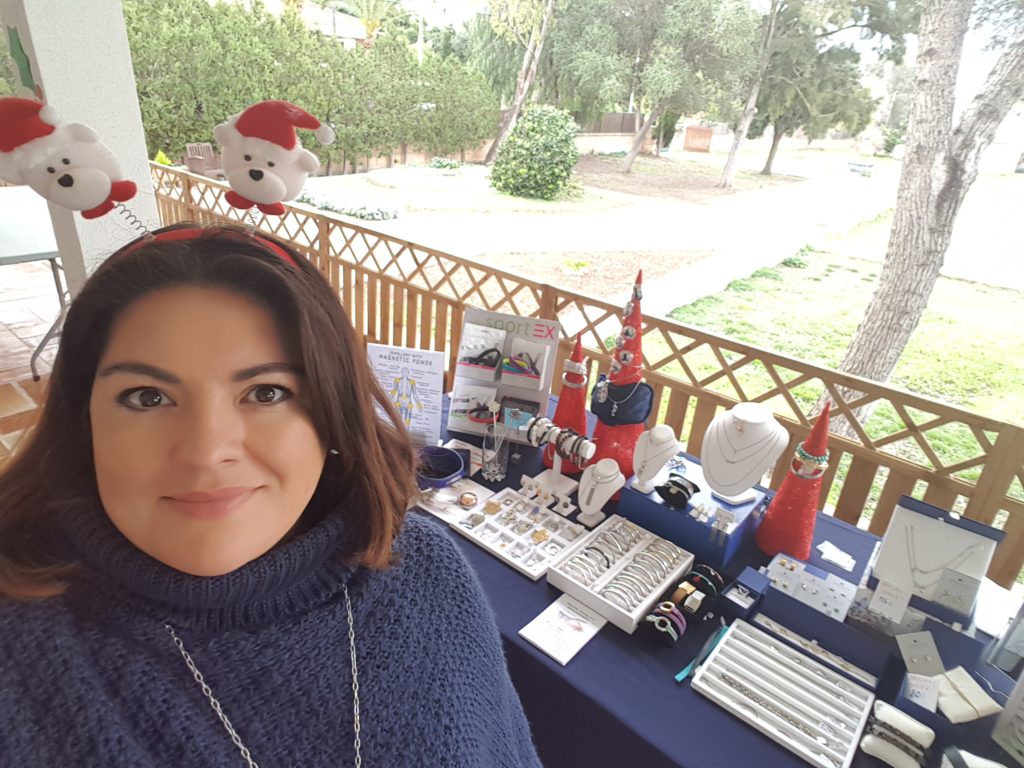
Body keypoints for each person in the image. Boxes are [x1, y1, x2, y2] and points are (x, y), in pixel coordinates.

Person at [0, 225, 541, 767]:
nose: (206, 452)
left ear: (334, 419)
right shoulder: (21, 653)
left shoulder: (427, 571)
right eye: (147, 397)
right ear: (84, 423)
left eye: (266, 393)